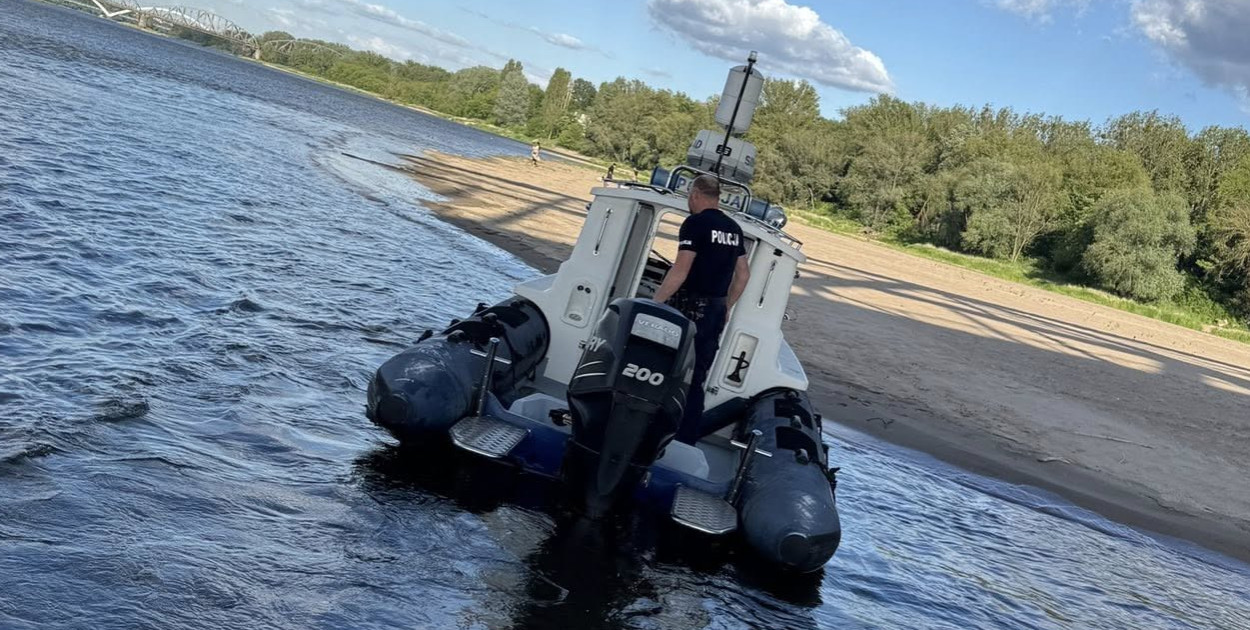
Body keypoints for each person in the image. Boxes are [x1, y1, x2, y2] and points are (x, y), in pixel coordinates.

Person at [653, 174, 750, 444]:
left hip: (689, 306)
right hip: (716, 310)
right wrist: (728, 305)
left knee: (667, 368)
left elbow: (680, 270)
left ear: (695, 194)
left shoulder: (695, 224)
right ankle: (685, 440)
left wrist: (654, 303)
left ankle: (654, 429)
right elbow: (743, 275)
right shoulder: (733, 229)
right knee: (697, 378)